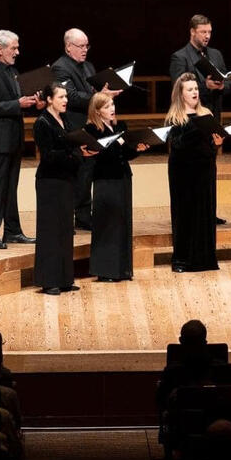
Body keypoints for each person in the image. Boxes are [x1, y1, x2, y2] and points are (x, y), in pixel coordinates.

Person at [0, 30, 42, 249]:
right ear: (0, 49)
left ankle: (13, 231)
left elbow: (17, 99)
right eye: (13, 48)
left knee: (11, 187)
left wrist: (32, 101)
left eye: (17, 47)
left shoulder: (12, 71)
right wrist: (18, 104)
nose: (17, 52)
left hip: (14, 137)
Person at [53, 28, 120, 231]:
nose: (85, 50)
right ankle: (76, 215)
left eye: (87, 46)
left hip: (92, 125)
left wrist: (105, 92)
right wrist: (99, 96)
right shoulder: (60, 67)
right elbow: (71, 96)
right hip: (75, 125)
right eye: (81, 46)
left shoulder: (88, 66)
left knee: (88, 171)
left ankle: (84, 215)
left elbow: (93, 91)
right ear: (68, 47)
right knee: (78, 172)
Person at [170, 14, 231, 224]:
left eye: (210, 32)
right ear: (192, 32)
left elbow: (229, 82)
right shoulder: (180, 56)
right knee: (193, 164)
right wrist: (204, 86)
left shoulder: (215, 54)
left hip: (211, 116)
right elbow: (177, 87)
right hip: (190, 120)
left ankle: (209, 210)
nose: (207, 36)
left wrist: (223, 85)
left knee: (209, 164)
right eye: (203, 32)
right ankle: (192, 211)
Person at [33, 83, 95, 295]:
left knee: (66, 229)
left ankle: (65, 278)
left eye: (66, 96)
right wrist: (77, 155)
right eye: (61, 97)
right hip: (50, 181)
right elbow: (49, 155)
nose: (65, 100)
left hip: (66, 179)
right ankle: (49, 280)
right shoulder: (42, 122)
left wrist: (81, 151)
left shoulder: (65, 119)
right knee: (50, 231)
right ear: (49, 99)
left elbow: (72, 144)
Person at [164, 73, 224, 272]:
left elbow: (210, 144)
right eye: (190, 89)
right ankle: (182, 260)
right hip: (183, 173)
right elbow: (178, 146)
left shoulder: (206, 113)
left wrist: (216, 143)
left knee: (204, 213)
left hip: (204, 170)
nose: (194, 92)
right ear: (181, 94)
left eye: (196, 89)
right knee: (185, 215)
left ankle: (205, 259)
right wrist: (197, 128)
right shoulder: (175, 117)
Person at [83, 91, 140, 282]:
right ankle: (106, 270)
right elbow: (103, 155)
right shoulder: (92, 130)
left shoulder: (120, 126)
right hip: (105, 179)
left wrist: (137, 149)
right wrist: (120, 144)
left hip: (123, 177)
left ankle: (122, 269)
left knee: (123, 222)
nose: (112, 109)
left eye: (113, 105)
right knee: (107, 224)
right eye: (107, 106)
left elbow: (126, 154)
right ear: (97, 111)